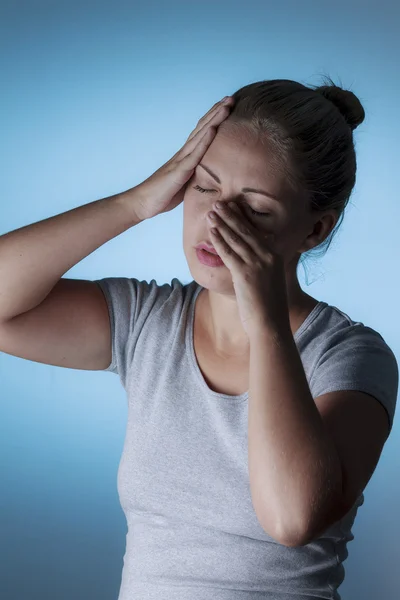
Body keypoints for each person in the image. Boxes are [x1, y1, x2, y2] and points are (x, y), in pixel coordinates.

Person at [0, 76, 398, 600]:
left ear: (315, 230)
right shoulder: (150, 321)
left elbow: (291, 518)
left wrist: (266, 321)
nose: (216, 219)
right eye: (203, 185)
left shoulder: (350, 355)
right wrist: (135, 203)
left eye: (254, 209)